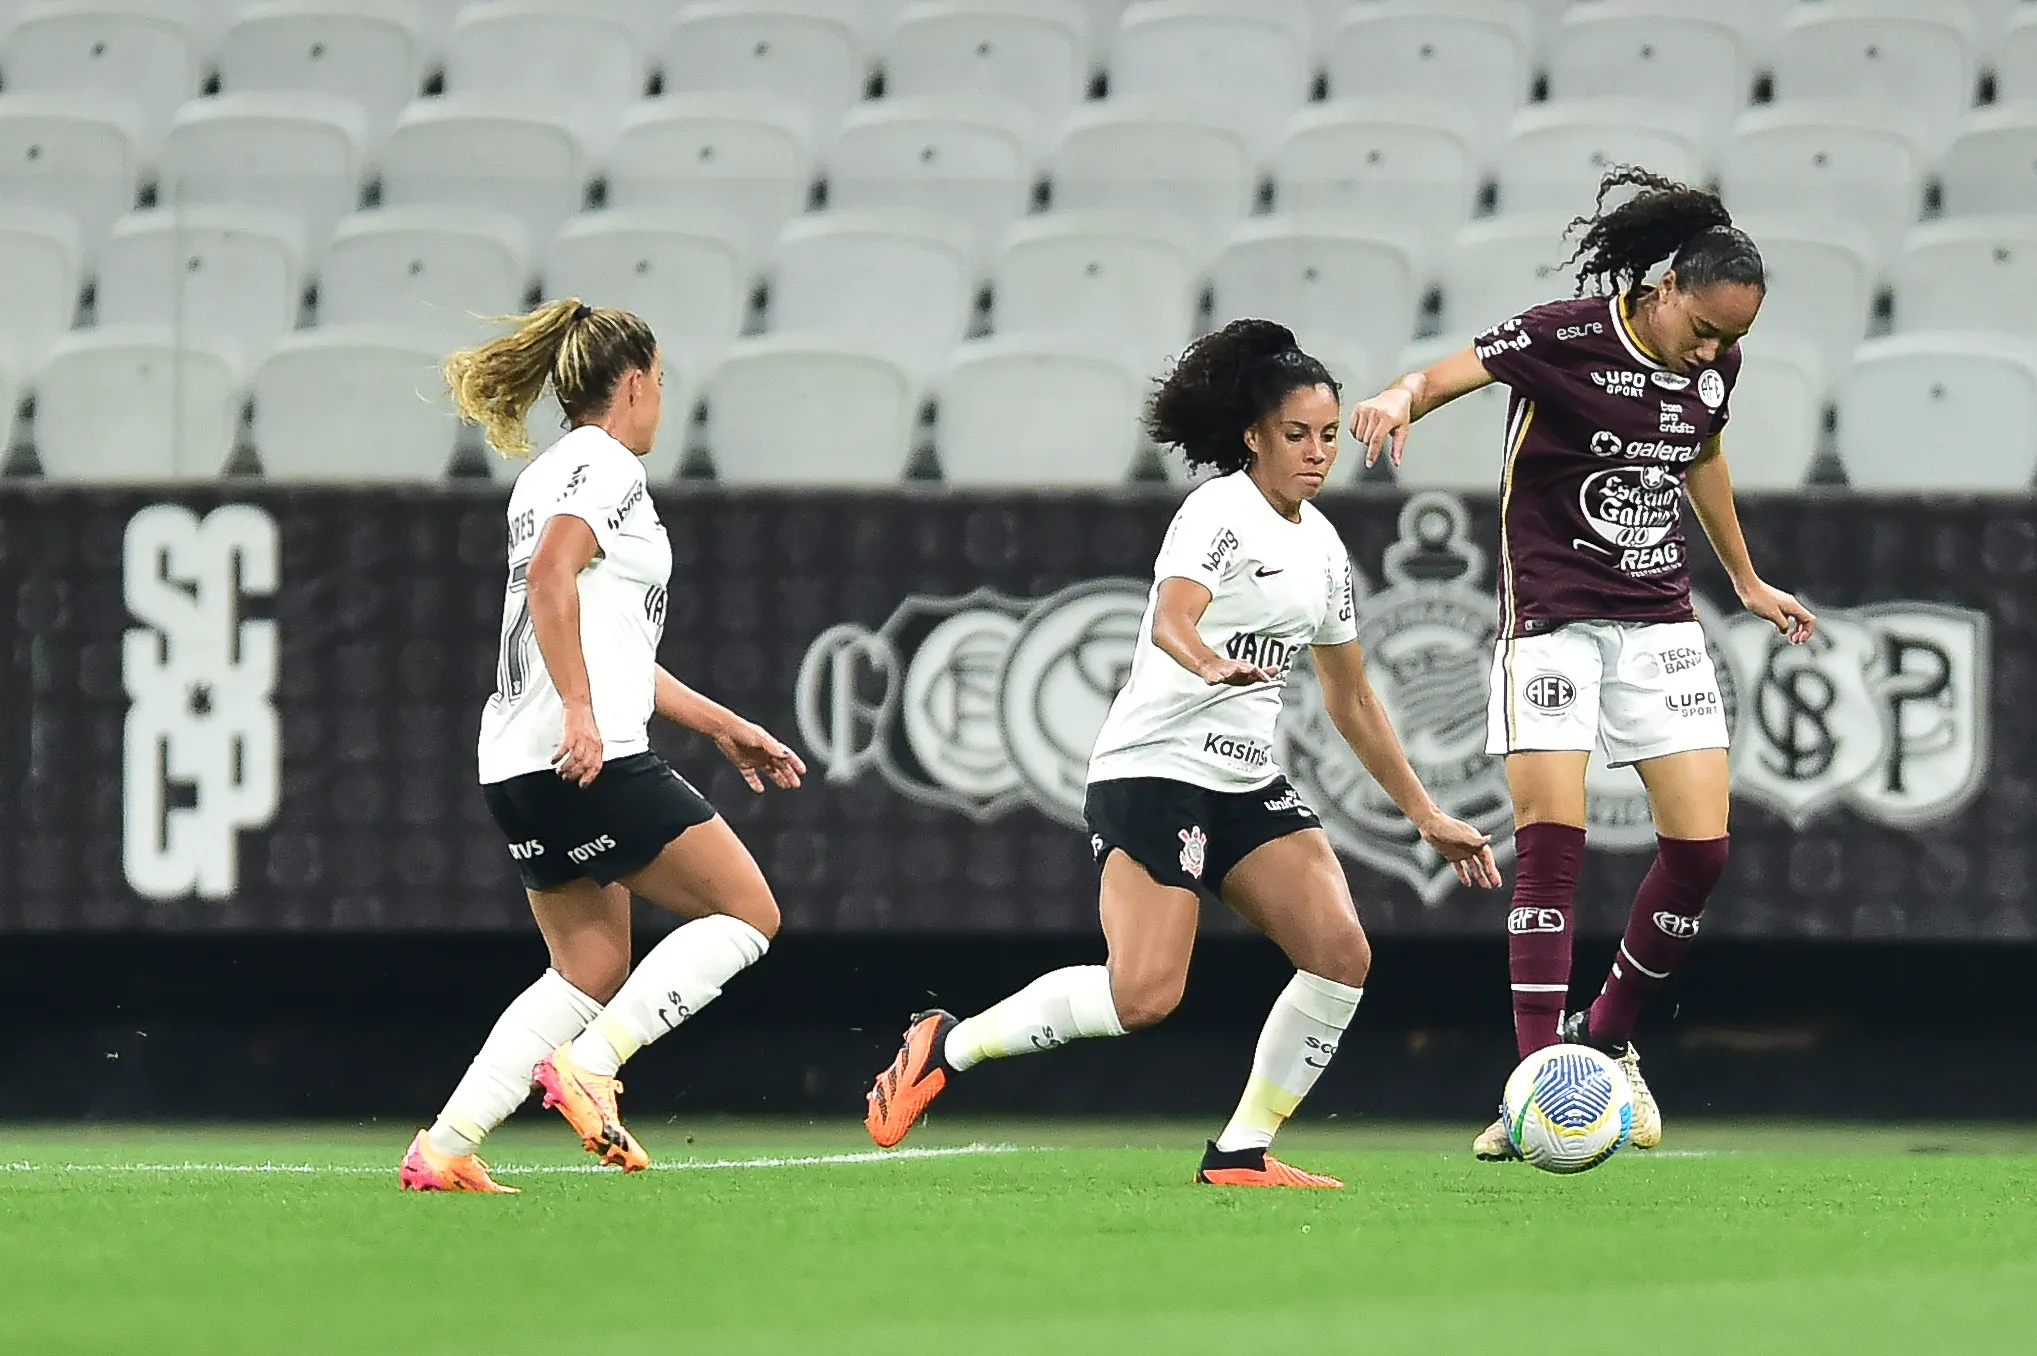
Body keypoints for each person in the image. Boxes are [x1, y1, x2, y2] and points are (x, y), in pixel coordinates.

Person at [863, 320, 1503, 1186]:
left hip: (1242, 779)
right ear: (1252, 436)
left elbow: (1350, 697)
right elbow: (1171, 618)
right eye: (1294, 435)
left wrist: (1426, 816)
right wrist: (1209, 662)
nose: (1316, 453)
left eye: (1326, 435)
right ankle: (949, 1044)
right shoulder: (1217, 511)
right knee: (1143, 997)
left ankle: (1241, 1150)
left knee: (1341, 955)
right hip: (1154, 768)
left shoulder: (1320, 547)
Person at [1348, 168, 1818, 1159]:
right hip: (1553, 618)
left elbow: (1702, 457)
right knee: (1551, 848)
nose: (1716, 353)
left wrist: (1745, 579)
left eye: (1732, 342)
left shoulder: (1711, 371)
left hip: (1658, 620)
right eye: (1707, 331)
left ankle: (1603, 1050)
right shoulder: (1563, 335)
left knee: (1703, 853)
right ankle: (1532, 1091)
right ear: (1663, 289)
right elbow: (1447, 374)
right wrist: (1396, 397)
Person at [400, 299, 806, 1193]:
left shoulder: (546, 472)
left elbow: (599, 635)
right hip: (582, 753)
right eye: (660, 381)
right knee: (748, 915)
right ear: (632, 385)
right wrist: (582, 714)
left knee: (587, 966)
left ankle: (445, 1146)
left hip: (514, 761)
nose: (662, 398)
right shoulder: (606, 464)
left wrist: (725, 726)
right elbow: (551, 576)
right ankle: (591, 1067)